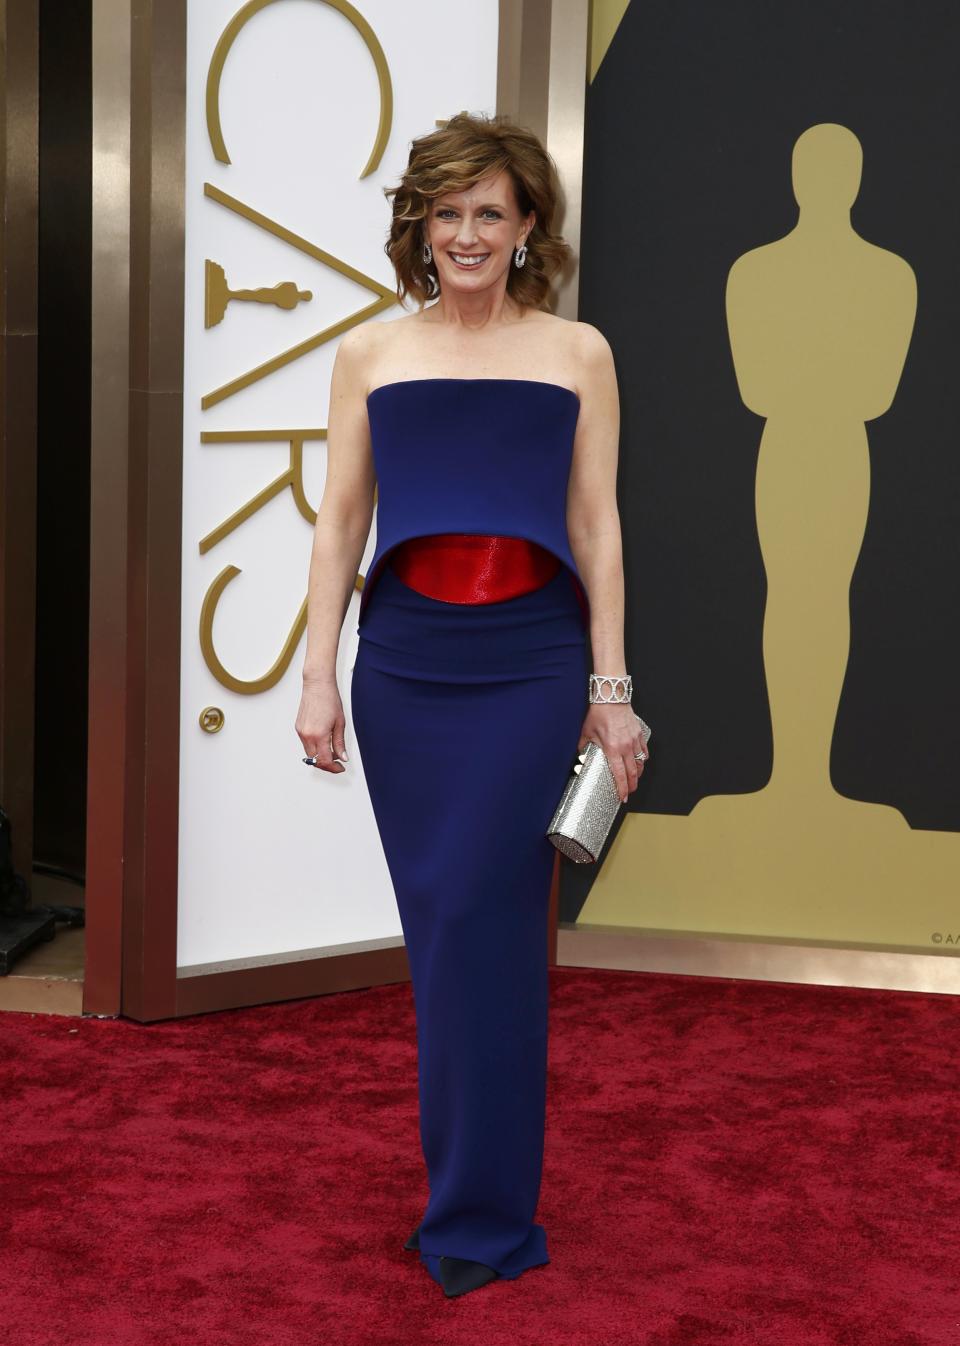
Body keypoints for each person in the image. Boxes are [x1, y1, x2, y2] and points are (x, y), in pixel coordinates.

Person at [295, 110, 650, 1299]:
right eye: (445, 213)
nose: (466, 233)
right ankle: (470, 1195)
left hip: (531, 664)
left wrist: (611, 689)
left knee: (489, 925)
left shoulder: (579, 351)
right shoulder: (368, 356)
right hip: (404, 670)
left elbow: (596, 523)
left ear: (528, 225)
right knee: (444, 928)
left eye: (489, 212)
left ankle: (483, 1213)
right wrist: (316, 672)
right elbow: (343, 519)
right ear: (420, 226)